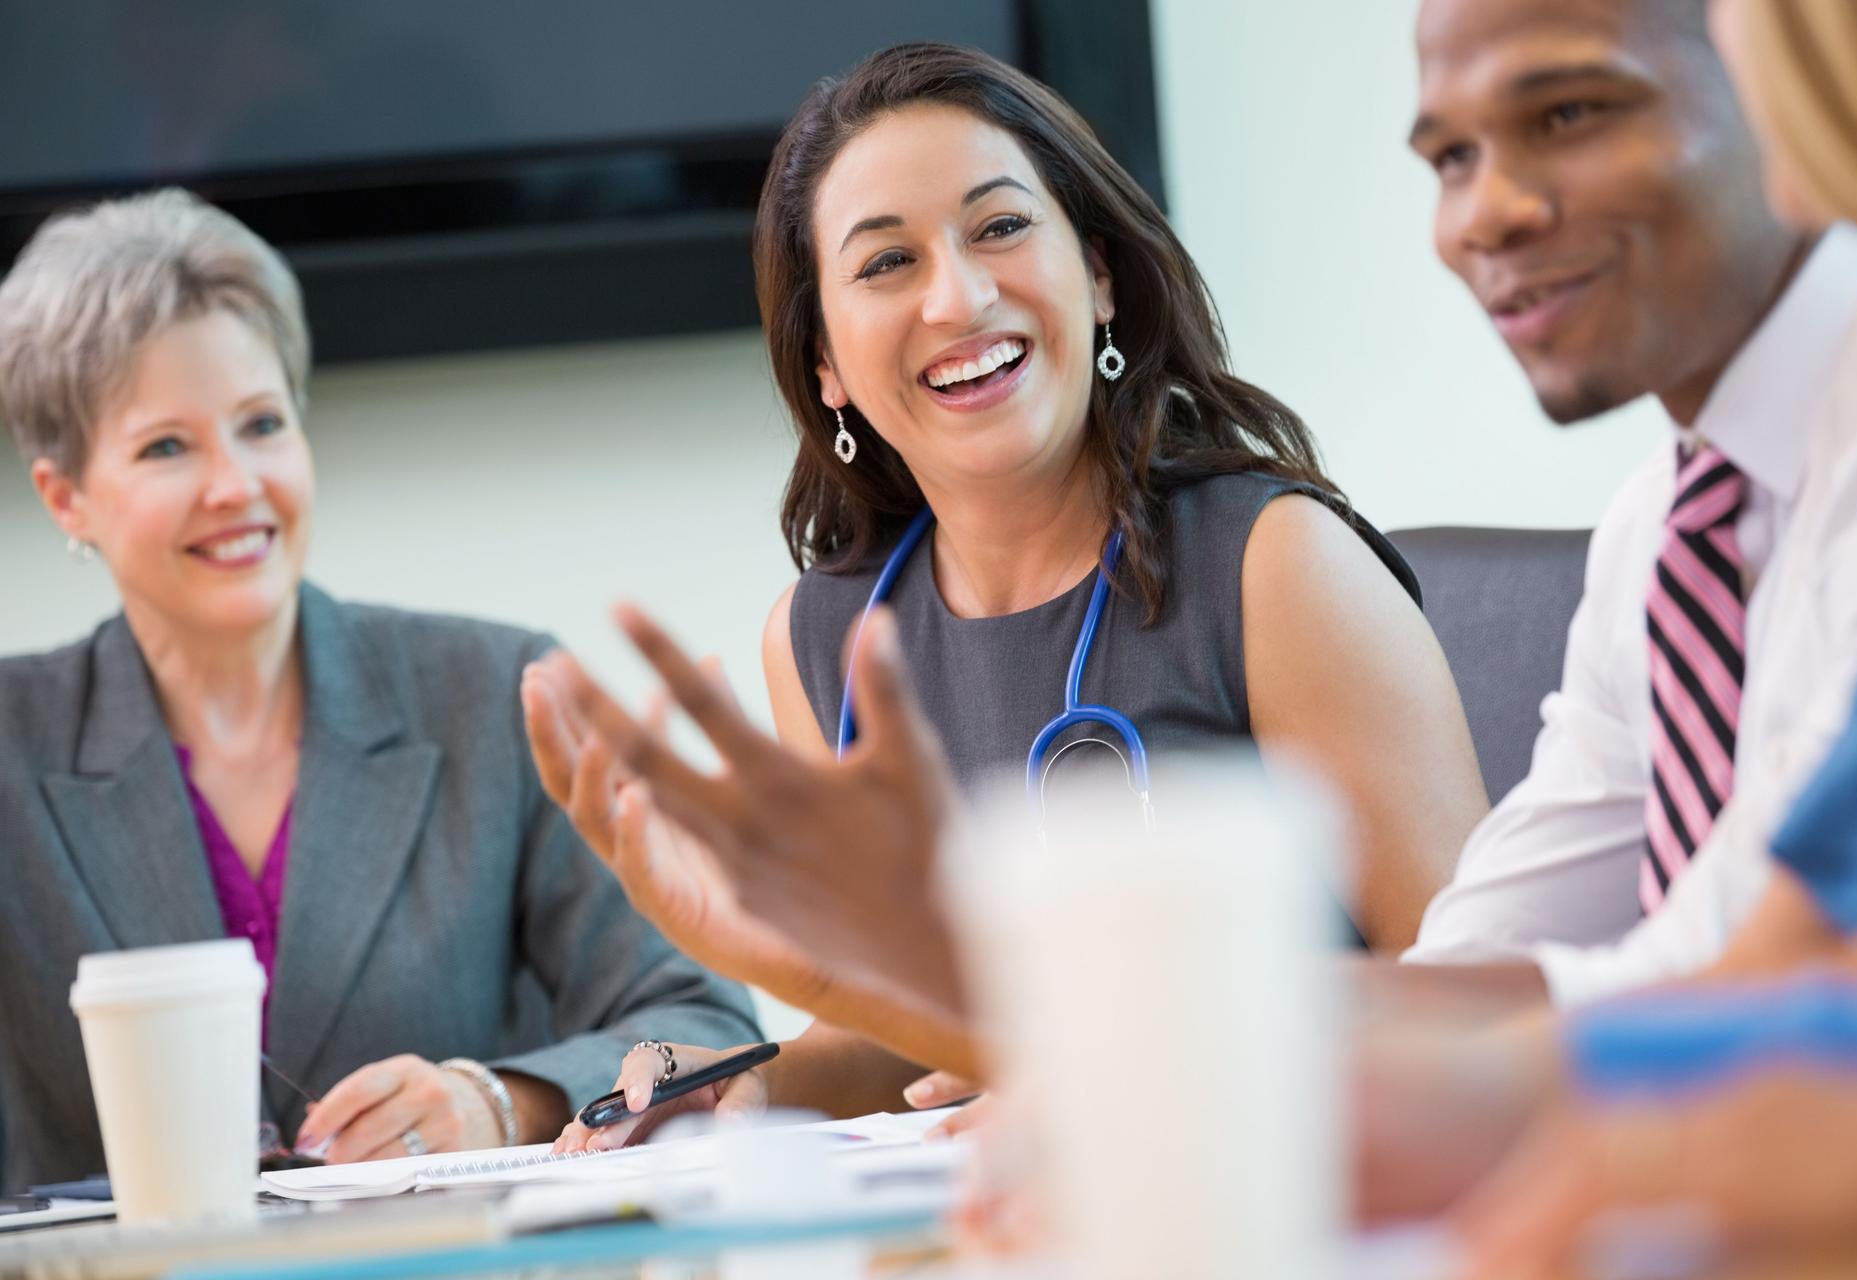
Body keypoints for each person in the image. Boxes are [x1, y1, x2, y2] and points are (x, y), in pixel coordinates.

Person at [527, 39, 1490, 1143]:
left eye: (1000, 227)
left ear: (1100, 275)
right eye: (886, 263)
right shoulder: (824, 637)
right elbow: (926, 1036)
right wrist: (753, 1083)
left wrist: (1148, 1069)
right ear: (827, 361)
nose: (961, 296)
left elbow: (1475, 999)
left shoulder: (1275, 562)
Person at [0, 189, 759, 1193]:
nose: (237, 484)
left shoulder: (493, 695)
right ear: (66, 496)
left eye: (261, 423)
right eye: (167, 446)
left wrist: (503, 1098)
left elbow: (706, 1030)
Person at [1453, 0, 1857, 1265]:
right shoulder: (1657, 517)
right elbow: (1820, 944)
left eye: (1569, 112)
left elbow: (1776, 968)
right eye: (1447, 157)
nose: (1480, 216)